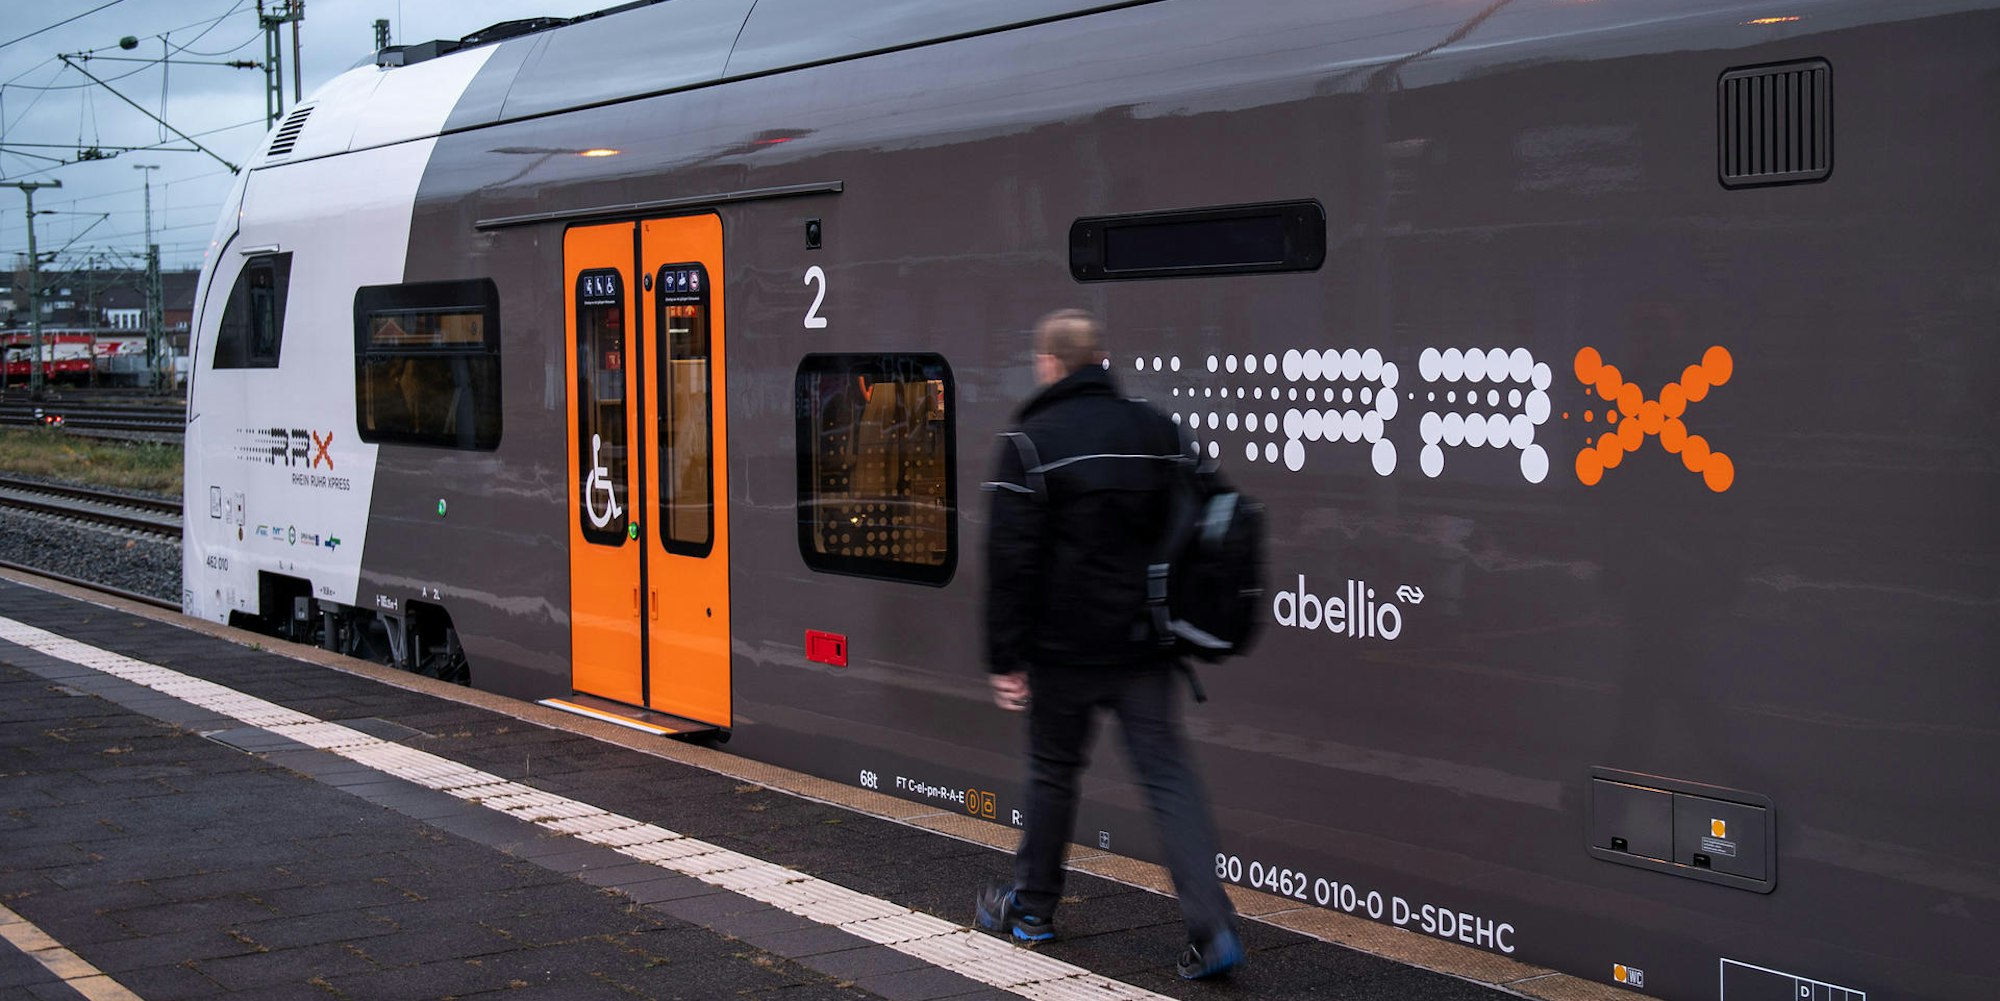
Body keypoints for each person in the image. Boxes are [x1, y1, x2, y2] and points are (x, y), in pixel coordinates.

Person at [973, 309, 1243, 979]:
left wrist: (1005, 658)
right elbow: (1207, 520)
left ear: (1050, 364)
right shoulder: (1156, 430)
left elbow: (1010, 560)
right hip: (1144, 646)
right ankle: (1212, 929)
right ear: (1102, 359)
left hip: (1062, 649)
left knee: (1052, 773)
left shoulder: (1031, 442)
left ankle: (1032, 911)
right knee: (1169, 779)